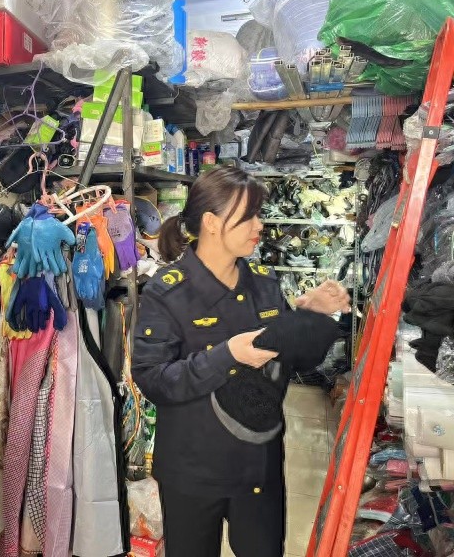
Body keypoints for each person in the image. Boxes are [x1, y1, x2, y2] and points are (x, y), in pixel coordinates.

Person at [132, 166, 350, 557]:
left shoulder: (264, 284)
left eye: (258, 214)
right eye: (248, 216)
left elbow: (294, 361)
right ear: (212, 223)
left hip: (258, 464)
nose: (259, 225)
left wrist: (310, 318)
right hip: (193, 470)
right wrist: (228, 354)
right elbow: (154, 381)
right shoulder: (167, 293)